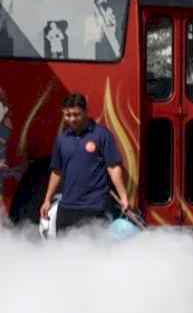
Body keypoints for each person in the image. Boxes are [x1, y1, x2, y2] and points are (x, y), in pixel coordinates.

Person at [39, 93, 131, 235]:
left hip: (94, 207)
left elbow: (113, 167)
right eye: (68, 115)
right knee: (64, 247)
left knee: (94, 248)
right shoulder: (62, 139)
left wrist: (123, 197)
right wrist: (47, 200)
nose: (72, 119)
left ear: (86, 112)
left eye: (76, 114)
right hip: (67, 207)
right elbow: (57, 171)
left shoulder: (102, 134)